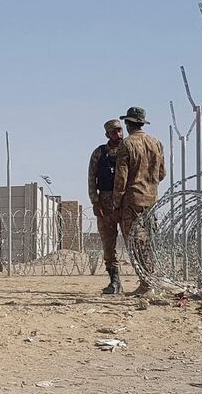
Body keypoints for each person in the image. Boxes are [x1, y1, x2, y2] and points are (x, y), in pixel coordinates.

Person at [113, 106, 167, 296]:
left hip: (132, 200)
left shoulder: (126, 145)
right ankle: (149, 282)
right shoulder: (156, 143)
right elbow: (162, 173)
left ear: (128, 124)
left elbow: (121, 177)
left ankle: (146, 284)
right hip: (151, 201)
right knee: (148, 242)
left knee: (135, 244)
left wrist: (116, 200)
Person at [88, 119, 125, 294]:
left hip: (126, 203)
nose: (118, 135)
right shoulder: (99, 153)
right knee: (108, 244)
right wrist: (95, 201)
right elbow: (91, 178)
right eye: (114, 132)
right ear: (107, 134)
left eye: (120, 131)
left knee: (135, 243)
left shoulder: (129, 150)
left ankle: (144, 281)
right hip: (105, 202)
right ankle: (115, 281)